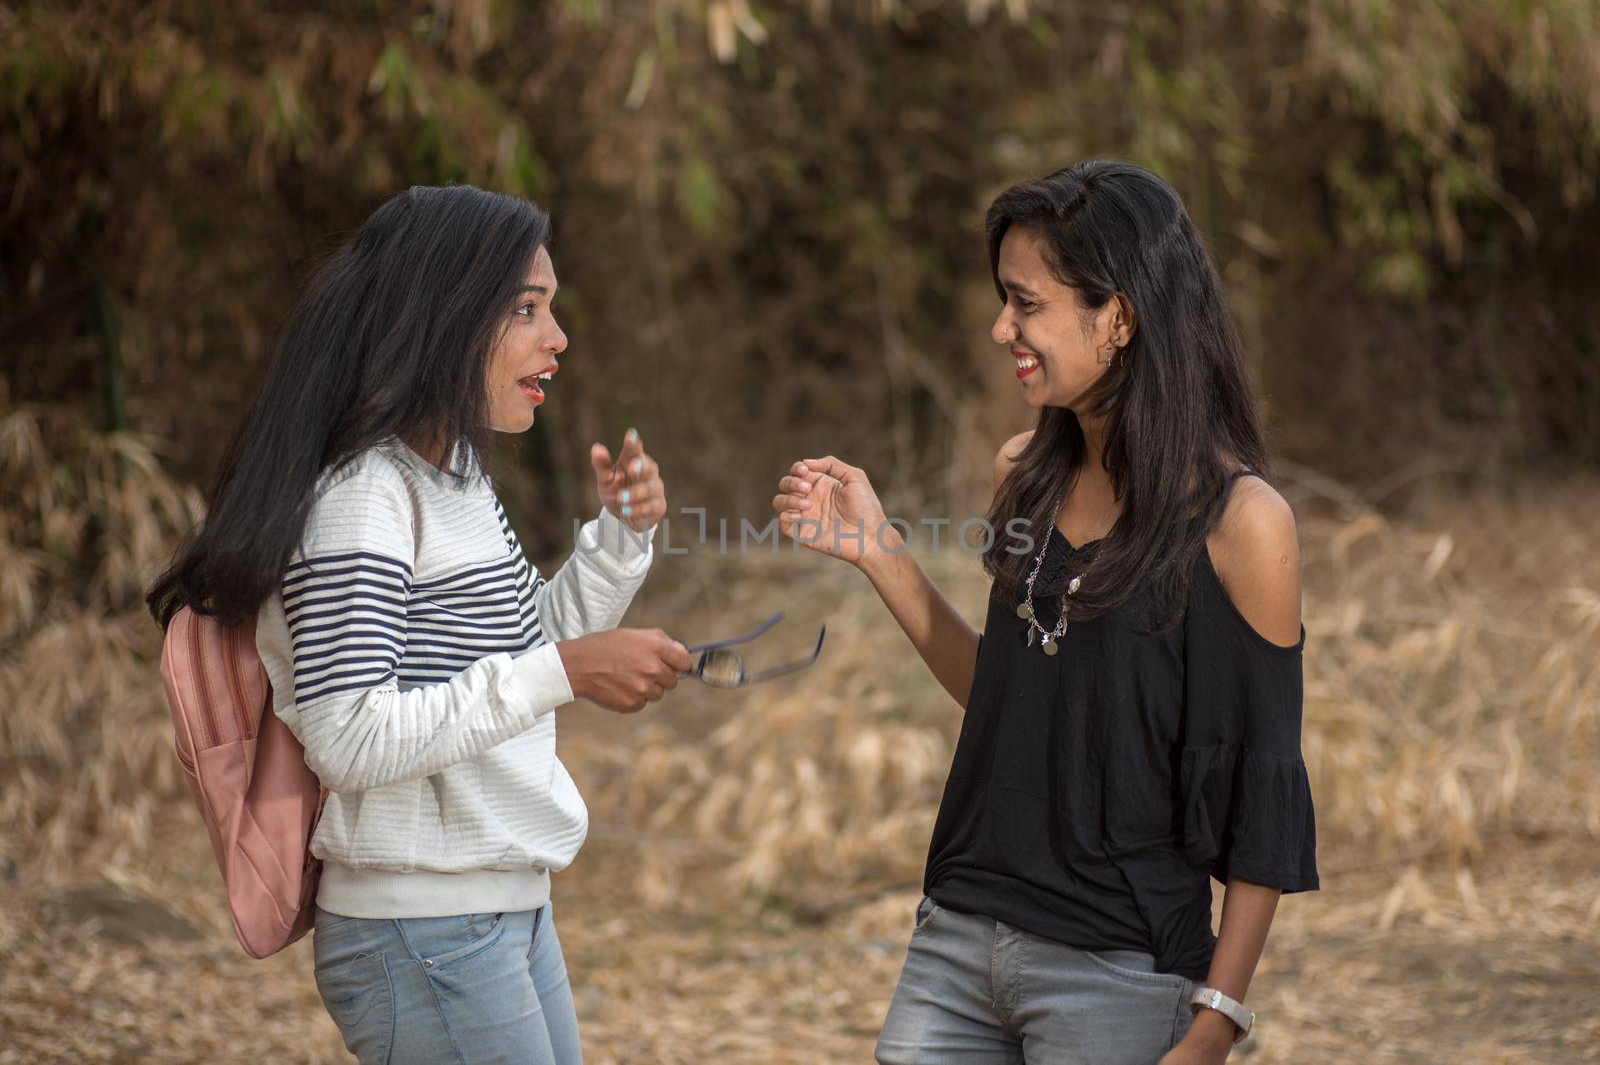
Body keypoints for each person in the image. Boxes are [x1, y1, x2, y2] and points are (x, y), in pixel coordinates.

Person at [773, 161, 1318, 1064]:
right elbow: (1007, 695)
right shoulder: (1025, 471)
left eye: (1026, 304)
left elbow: (1265, 790)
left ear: (1120, 317)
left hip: (1119, 970)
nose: (1002, 328)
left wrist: (1216, 1021)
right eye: (1004, 300)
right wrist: (878, 551)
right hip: (956, 937)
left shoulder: (1244, 525)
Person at [147, 184, 692, 1064]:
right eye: (526, 309)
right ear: (441, 317)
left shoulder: (455, 477)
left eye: (552, 309)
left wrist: (618, 543)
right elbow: (349, 735)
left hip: (497, 904)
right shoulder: (365, 498)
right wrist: (569, 672)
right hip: (423, 928)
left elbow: (518, 648)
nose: (557, 338)